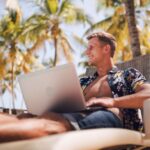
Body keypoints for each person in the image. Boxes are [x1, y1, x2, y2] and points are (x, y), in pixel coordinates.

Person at [0, 31, 150, 142]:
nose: (86, 52)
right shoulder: (83, 82)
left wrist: (112, 102)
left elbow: (147, 94)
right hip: (73, 115)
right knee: (26, 117)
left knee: (52, 124)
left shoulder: (127, 75)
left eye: (91, 47)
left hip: (113, 119)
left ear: (106, 49)